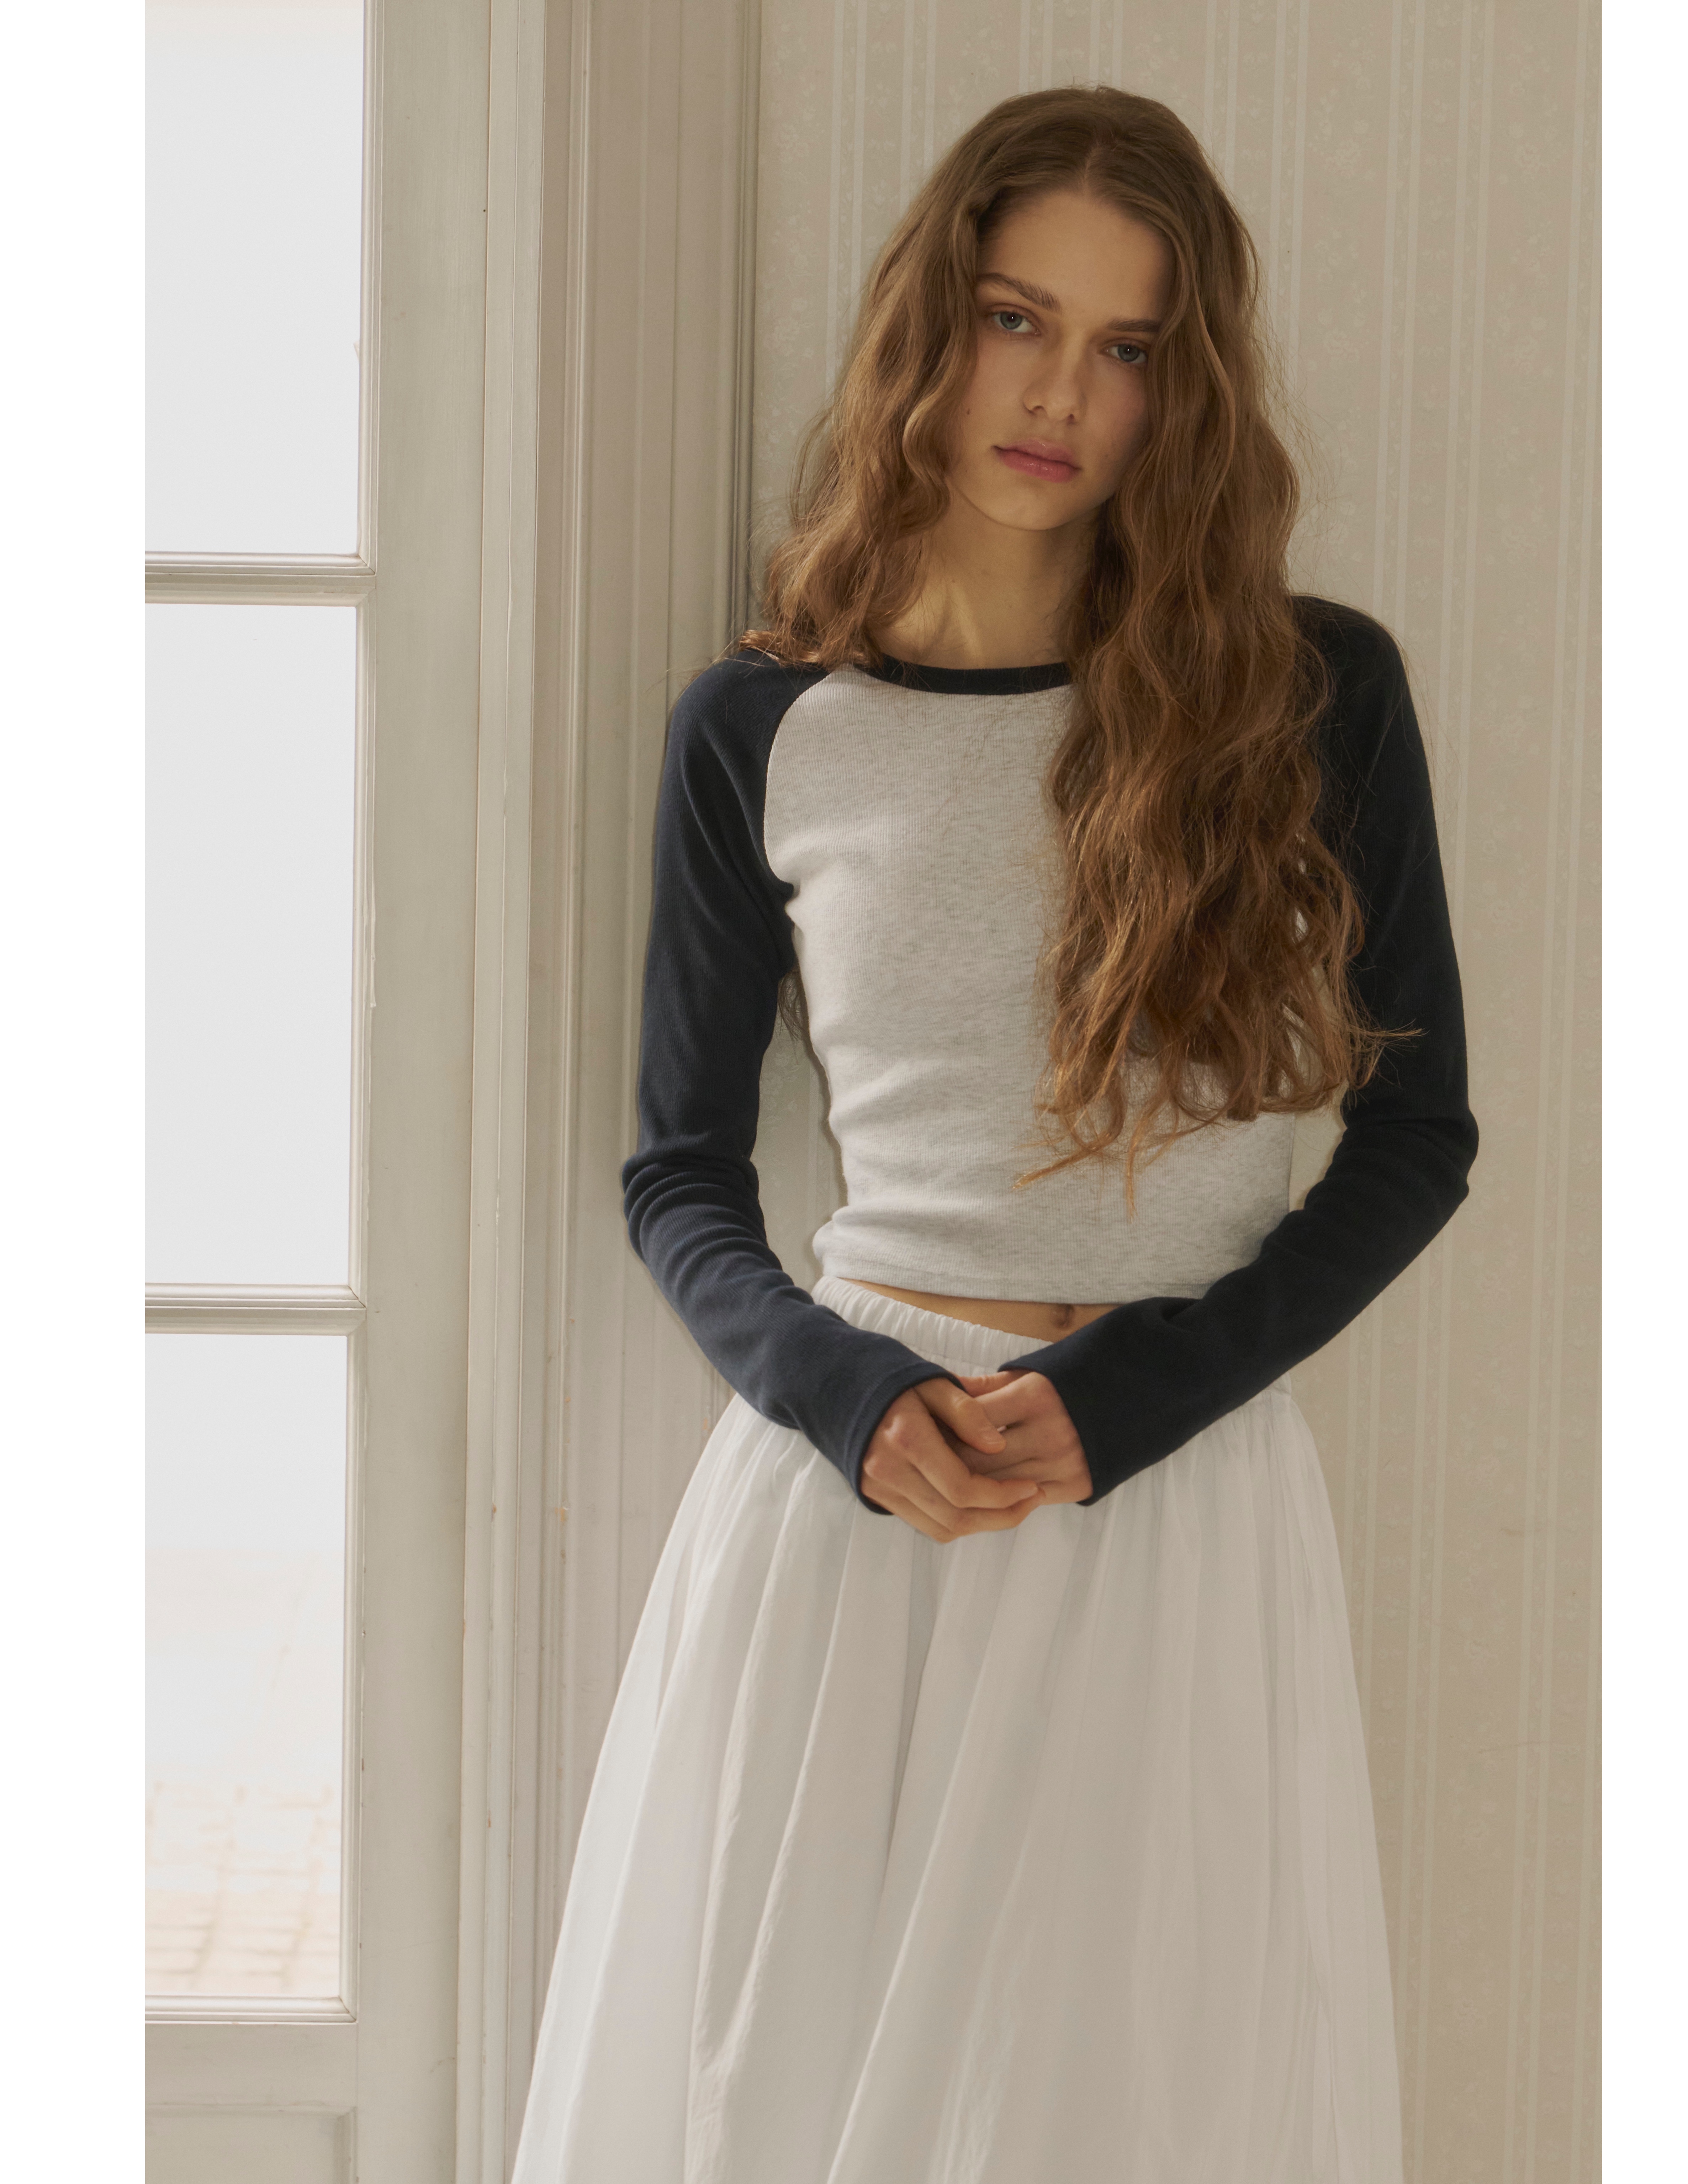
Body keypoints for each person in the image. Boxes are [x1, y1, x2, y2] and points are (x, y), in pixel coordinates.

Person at [511, 82, 1477, 2184]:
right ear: (928, 324)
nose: (1058, 395)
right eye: (1015, 318)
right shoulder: (765, 726)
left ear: (1183, 391)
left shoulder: (1316, 700)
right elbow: (680, 1173)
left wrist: (1136, 1396)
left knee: (1145, 2110)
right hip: (857, 1506)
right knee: (785, 2105)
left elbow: (1420, 1139)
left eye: (1126, 347)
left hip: (1175, 1500)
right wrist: (846, 1400)